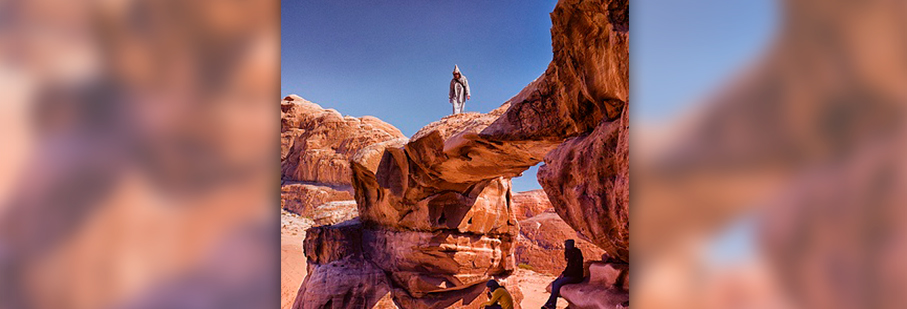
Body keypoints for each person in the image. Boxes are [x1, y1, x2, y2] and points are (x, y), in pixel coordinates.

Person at [542, 239, 584, 309]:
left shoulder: (576, 253)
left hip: (576, 277)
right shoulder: (571, 252)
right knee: (555, 283)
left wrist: (566, 275)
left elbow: (575, 268)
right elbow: (569, 266)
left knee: (557, 284)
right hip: (570, 275)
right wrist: (563, 274)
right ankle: (550, 304)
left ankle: (551, 304)